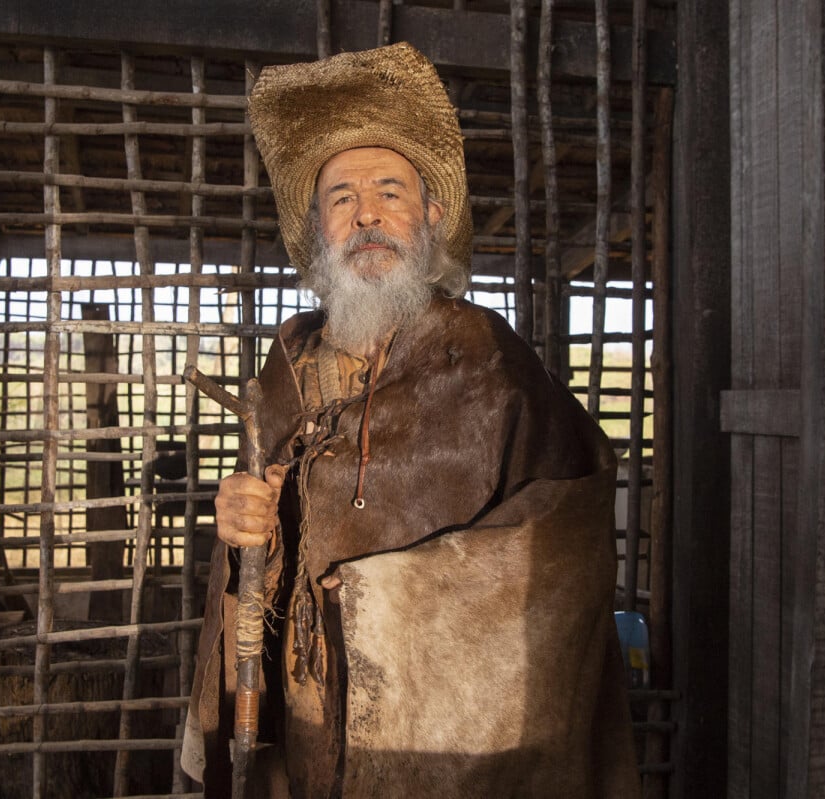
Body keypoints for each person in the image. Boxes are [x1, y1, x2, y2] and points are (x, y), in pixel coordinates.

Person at [182, 42, 640, 798]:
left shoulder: (490, 360)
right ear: (319, 231)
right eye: (341, 198)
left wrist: (376, 599)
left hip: (442, 753)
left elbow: (569, 534)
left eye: (389, 192)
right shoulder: (287, 364)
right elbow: (260, 558)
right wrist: (238, 534)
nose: (366, 214)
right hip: (303, 740)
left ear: (429, 216)